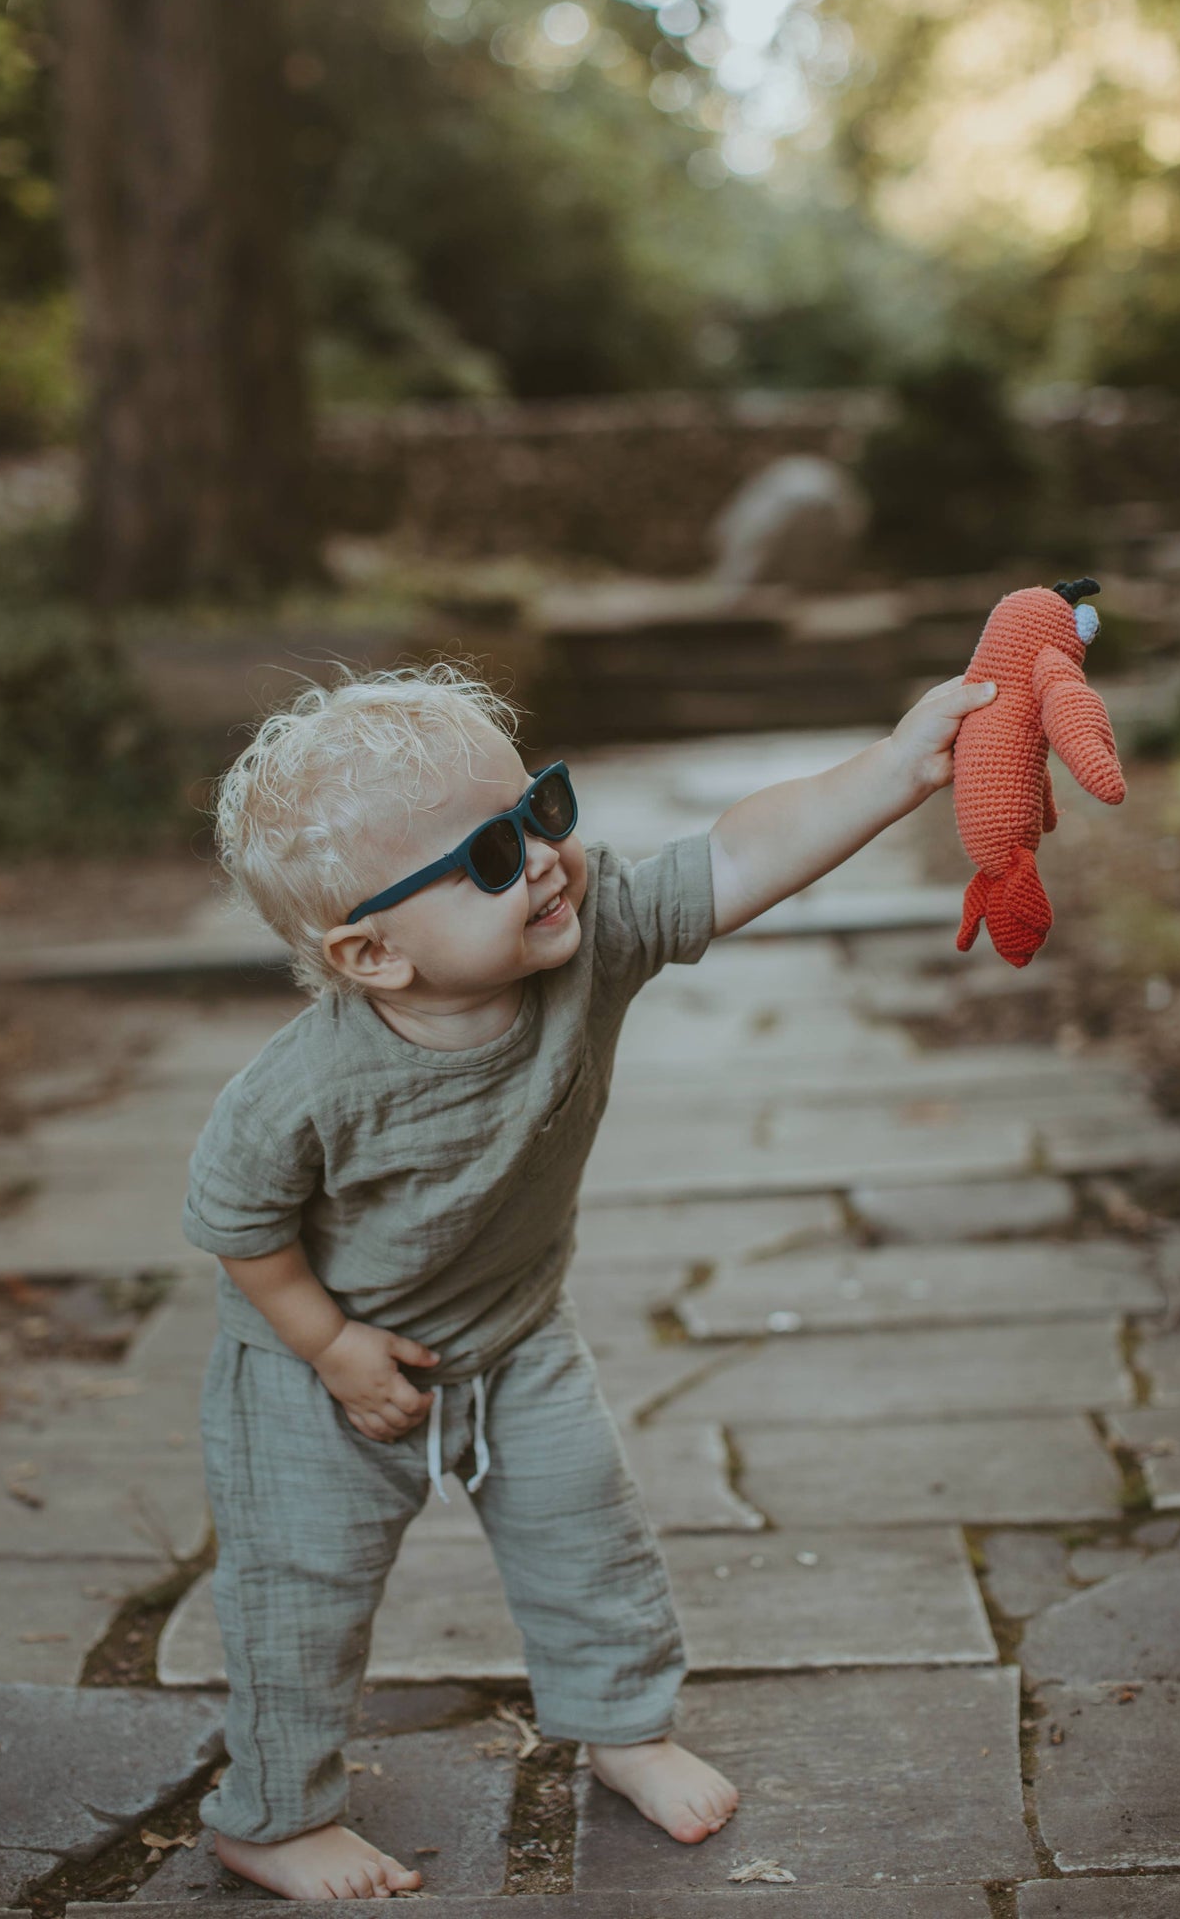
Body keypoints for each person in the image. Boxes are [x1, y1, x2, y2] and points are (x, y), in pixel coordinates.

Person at [184, 660, 997, 1900]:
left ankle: (624, 1725)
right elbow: (235, 1218)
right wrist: (327, 1343)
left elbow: (732, 856)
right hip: (317, 1370)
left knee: (586, 1533)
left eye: (541, 811)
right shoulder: (305, 1087)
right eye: (494, 857)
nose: (547, 859)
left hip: (510, 1329)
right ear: (373, 952)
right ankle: (275, 1812)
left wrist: (893, 768)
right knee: (300, 1590)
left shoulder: (591, 938)